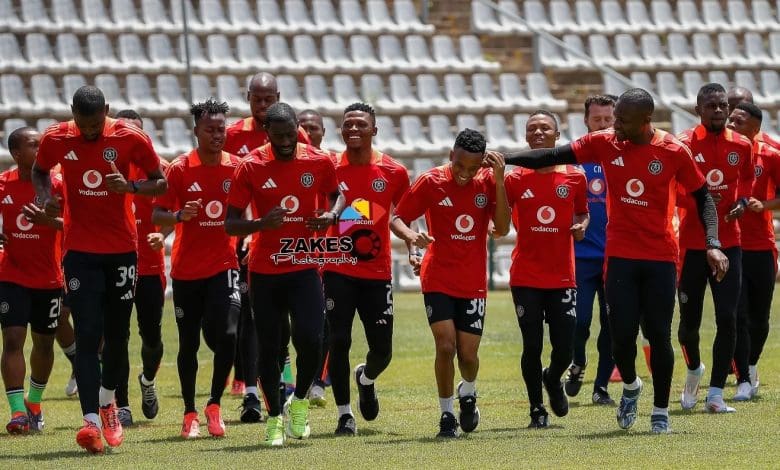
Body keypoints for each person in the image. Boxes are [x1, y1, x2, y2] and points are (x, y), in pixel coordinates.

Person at [501, 88, 728, 434]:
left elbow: (704, 198)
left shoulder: (672, 150)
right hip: (619, 256)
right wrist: (506, 157)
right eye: (615, 117)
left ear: (645, 121)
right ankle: (632, 386)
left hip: (660, 256)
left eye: (623, 119)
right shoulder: (605, 142)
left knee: (658, 334)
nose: (615, 124)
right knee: (621, 338)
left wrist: (712, 242)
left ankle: (660, 412)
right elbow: (552, 154)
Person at [32, 86, 166, 453]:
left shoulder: (129, 137)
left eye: (95, 125)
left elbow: (161, 180)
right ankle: (90, 421)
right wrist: (45, 199)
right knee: (89, 334)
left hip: (122, 249)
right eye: (83, 125)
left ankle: (109, 401)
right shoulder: (56, 138)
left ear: (106, 111)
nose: (89, 132)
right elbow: (40, 170)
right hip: (79, 250)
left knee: (119, 335)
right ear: (71, 114)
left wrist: (132, 186)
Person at [225, 102, 342, 446]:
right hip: (264, 270)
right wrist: (261, 223)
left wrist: (332, 216)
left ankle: (301, 400)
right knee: (271, 348)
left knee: (310, 339)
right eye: (279, 136)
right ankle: (275, 416)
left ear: (297, 130)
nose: (287, 141)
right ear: (268, 134)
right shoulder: (251, 166)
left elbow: (339, 195)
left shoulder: (318, 161)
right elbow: (230, 222)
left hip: (304, 264)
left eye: (291, 134)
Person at [392, 129, 509, 438]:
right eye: (460, 166)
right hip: (438, 277)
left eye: (472, 169)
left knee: (468, 356)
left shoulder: (487, 182)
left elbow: (504, 226)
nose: (464, 174)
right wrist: (411, 237)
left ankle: (468, 391)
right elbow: (397, 217)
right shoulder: (431, 181)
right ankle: (446, 415)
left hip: (472, 282)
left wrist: (498, 179)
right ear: (450, 156)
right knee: (445, 346)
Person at [152, 99, 240, 439]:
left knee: (230, 333)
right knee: (188, 344)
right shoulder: (179, 169)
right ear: (196, 132)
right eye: (210, 130)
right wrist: (178, 217)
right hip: (187, 271)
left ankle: (214, 405)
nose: (217, 135)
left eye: (221, 129)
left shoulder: (238, 167)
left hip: (224, 265)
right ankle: (189, 411)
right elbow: (158, 213)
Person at [223, 72, 309, 419]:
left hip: (287, 243)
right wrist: (244, 232)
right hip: (247, 240)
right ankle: (250, 395)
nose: (262, 106)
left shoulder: (293, 134)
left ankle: (282, 384)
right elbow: (231, 188)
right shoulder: (231, 136)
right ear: (248, 98)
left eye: (268, 99)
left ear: (278, 97)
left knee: (283, 325)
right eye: (257, 100)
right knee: (248, 321)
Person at [321, 103, 410, 435]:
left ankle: (366, 378)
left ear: (375, 130)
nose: (354, 129)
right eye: (348, 124)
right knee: (339, 340)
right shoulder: (327, 167)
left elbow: (400, 216)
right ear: (341, 130)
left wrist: (412, 238)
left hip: (377, 273)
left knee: (382, 350)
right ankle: (344, 414)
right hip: (337, 269)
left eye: (361, 124)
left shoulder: (394, 172)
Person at [505, 111, 589, 428]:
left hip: (562, 276)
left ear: (557, 134)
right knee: (532, 345)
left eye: (545, 128)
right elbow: (499, 216)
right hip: (526, 275)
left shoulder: (575, 177)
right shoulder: (514, 179)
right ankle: (536, 409)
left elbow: (582, 212)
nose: (538, 132)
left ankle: (553, 379)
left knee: (565, 348)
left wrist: (581, 225)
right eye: (532, 128)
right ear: (527, 137)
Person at [676, 83, 754, 414]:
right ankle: (694, 369)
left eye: (723, 105)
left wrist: (738, 201)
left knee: (728, 317)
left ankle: (717, 393)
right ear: (698, 110)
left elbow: (747, 181)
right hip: (693, 247)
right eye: (711, 106)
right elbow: (675, 191)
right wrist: (701, 202)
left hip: (730, 244)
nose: (719, 110)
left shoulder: (742, 145)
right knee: (687, 325)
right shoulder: (683, 145)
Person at [0, 127, 63, 434]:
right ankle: (17, 414)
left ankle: (34, 403)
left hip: (49, 278)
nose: (42, 150)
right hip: (11, 275)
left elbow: (76, 225)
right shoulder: (3, 184)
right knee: (12, 340)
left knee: (44, 344)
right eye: (34, 145)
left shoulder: (58, 184)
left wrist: (48, 221)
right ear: (16, 154)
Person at [112, 109, 168, 427]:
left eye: (138, 132)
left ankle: (147, 380)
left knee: (153, 339)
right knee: (117, 335)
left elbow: (174, 212)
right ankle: (121, 404)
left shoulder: (159, 171)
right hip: (114, 262)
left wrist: (164, 234)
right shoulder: (104, 168)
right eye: (126, 132)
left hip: (149, 266)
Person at [565, 95, 618, 406]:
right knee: (579, 321)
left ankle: (601, 388)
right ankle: (578, 363)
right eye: (597, 120)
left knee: (612, 325)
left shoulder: (624, 155)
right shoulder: (574, 157)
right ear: (586, 121)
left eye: (608, 120)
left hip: (617, 257)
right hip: (582, 256)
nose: (602, 125)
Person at [726, 102, 780, 401]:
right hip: (733, 245)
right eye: (731, 119)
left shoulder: (770, 156)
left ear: (755, 129)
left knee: (760, 319)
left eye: (739, 121)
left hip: (762, 246)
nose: (732, 124)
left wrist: (765, 205)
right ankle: (743, 378)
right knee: (739, 314)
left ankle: (751, 364)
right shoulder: (723, 153)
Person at [298, 108, 334, 407]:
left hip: (329, 252)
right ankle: (291, 378)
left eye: (315, 128)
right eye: (303, 127)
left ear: (324, 132)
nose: (309, 133)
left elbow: (357, 205)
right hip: (292, 248)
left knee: (324, 320)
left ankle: (319, 381)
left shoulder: (332, 163)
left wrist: (335, 224)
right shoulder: (288, 163)